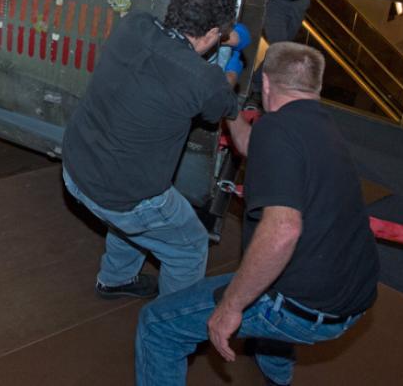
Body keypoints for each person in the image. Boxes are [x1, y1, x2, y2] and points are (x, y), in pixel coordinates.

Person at [135, 42, 379, 386]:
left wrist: (231, 306)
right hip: (354, 294)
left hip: (303, 307)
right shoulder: (323, 127)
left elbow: (283, 232)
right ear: (317, 87)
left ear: (265, 84)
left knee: (157, 325)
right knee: (269, 280)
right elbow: (254, 146)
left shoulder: (276, 130)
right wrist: (230, 110)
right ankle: (278, 376)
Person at [62, 0, 240, 300]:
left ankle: (116, 279)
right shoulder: (203, 79)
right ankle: (169, 326)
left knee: (140, 219)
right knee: (188, 246)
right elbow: (222, 103)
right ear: (214, 34)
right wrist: (231, 72)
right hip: (122, 193)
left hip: (76, 166)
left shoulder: (134, 24)